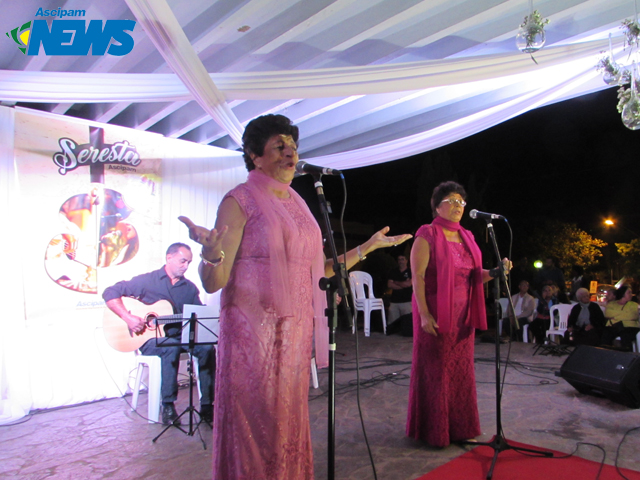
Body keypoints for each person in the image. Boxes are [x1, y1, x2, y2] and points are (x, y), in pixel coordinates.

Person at [178, 114, 411, 480]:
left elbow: (318, 270)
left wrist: (367, 246)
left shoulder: (299, 204)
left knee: (286, 424)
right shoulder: (239, 200)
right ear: (255, 156)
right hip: (254, 340)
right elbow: (214, 282)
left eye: (293, 146)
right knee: (257, 428)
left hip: (293, 340)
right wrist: (210, 253)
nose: (291, 153)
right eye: (279, 146)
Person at [406, 181, 509, 448]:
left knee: (461, 372)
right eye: (452, 200)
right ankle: (435, 431)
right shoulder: (426, 234)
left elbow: (476, 276)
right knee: (437, 370)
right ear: (437, 205)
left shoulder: (468, 237)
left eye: (462, 202)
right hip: (435, 313)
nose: (458, 206)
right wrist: (425, 315)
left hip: (464, 316)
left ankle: (461, 428)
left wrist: (496, 272)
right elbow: (417, 277)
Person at [102, 243, 215, 425]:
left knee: (207, 348)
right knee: (170, 348)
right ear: (169, 258)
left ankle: (207, 407)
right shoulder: (147, 281)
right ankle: (168, 406)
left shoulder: (189, 288)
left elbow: (198, 315)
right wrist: (128, 318)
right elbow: (110, 292)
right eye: (182, 261)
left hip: (180, 336)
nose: (186, 266)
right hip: (150, 339)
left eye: (189, 263)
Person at [602, 285, 640, 351]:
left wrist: (615, 317)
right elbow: (608, 314)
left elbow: (632, 316)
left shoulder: (634, 305)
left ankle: (627, 354)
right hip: (614, 326)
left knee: (626, 335)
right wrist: (624, 315)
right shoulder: (612, 304)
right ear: (623, 294)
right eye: (629, 292)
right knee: (606, 334)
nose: (631, 295)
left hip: (630, 327)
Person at [386, 254, 413, 329]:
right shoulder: (393, 271)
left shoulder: (411, 271)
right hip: (394, 302)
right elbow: (389, 285)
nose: (400, 261)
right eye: (399, 259)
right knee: (392, 325)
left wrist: (396, 282)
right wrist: (403, 284)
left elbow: (408, 284)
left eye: (402, 259)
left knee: (407, 324)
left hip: (407, 301)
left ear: (406, 261)